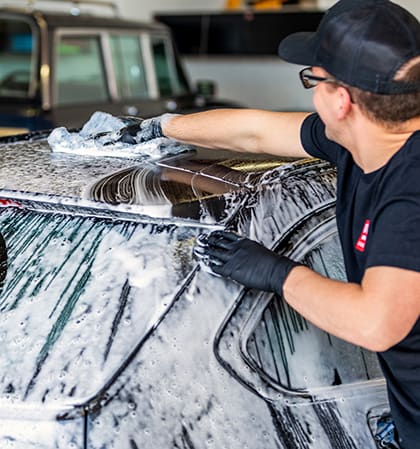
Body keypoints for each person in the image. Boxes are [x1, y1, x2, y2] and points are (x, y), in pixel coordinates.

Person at [122, 0, 420, 447]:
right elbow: (256, 131)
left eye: (312, 79)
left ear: (341, 100)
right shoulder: (364, 140)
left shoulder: (410, 190)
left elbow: (376, 322)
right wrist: (163, 126)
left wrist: (279, 273)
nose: (310, 92)